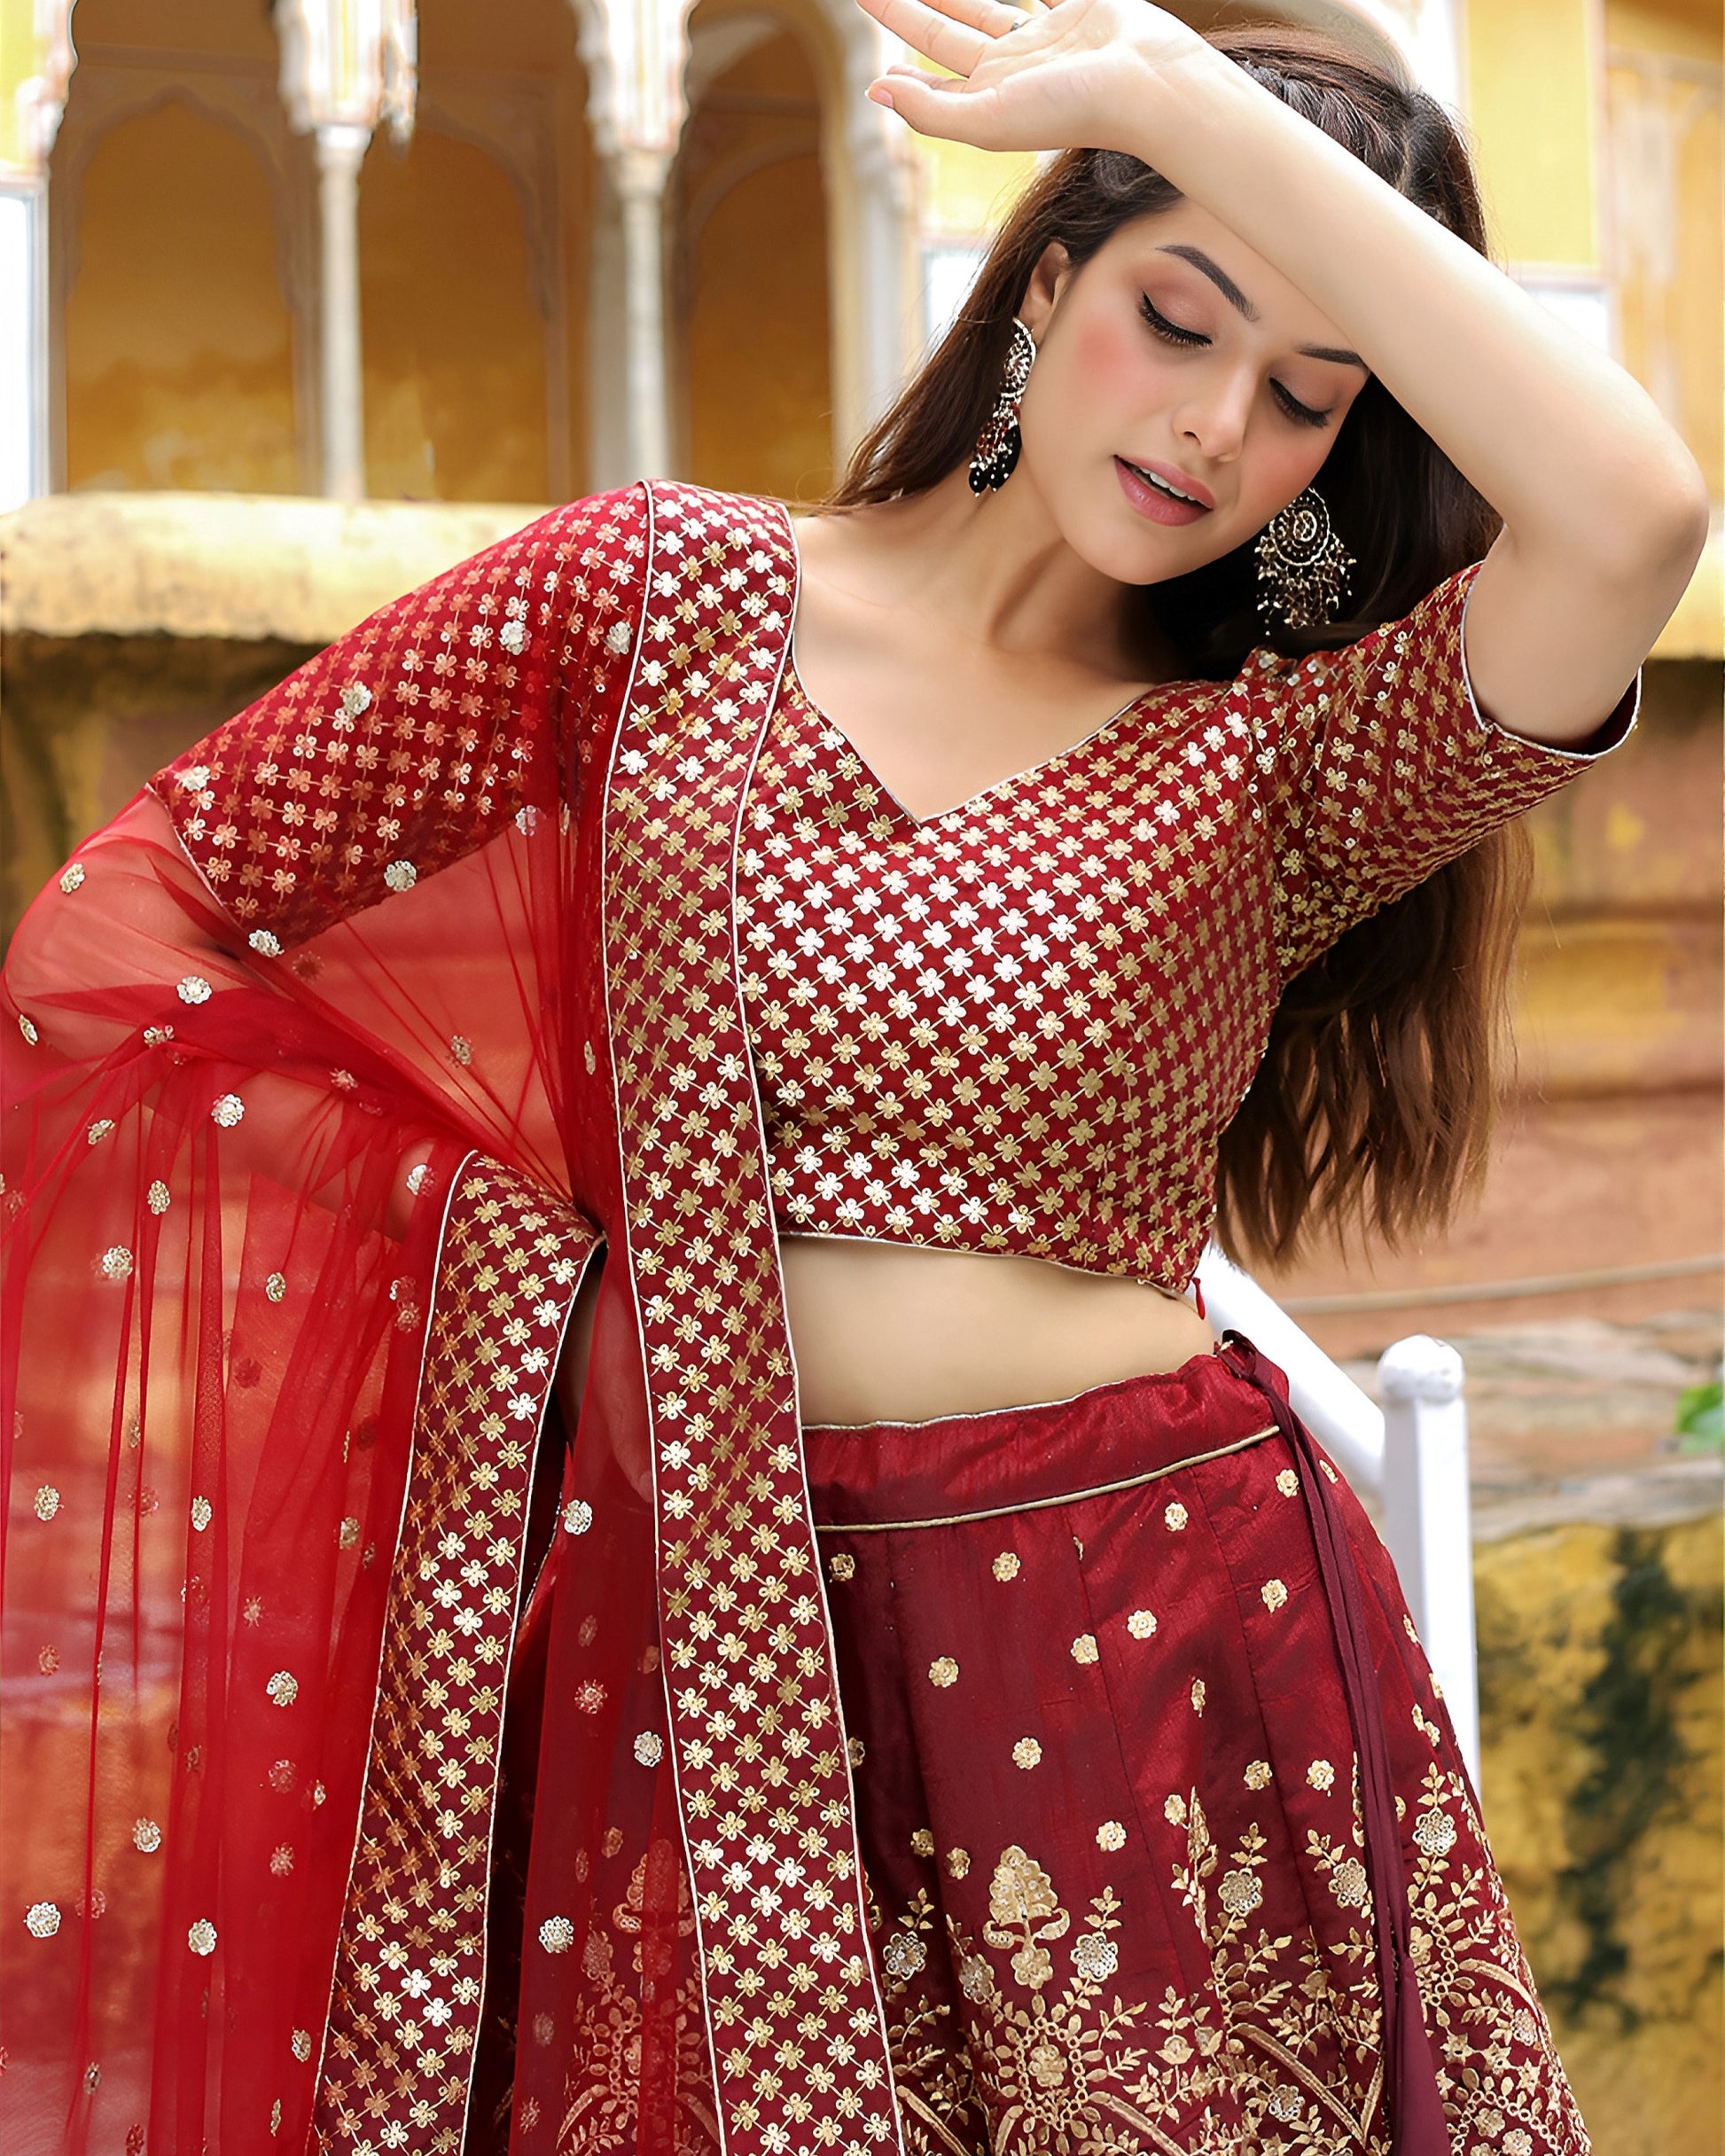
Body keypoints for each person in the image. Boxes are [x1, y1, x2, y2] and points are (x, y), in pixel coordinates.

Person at [0, 6, 1705, 2152]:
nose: (1208, 423)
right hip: (694, 1653)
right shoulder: (657, 598)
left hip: (1146, 1643)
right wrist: (550, 1290)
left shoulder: (1279, 766)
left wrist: (1178, 99)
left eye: (1300, 396)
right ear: (1047, 276)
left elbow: (1634, 514)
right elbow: (123, 939)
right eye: (1175, 313)